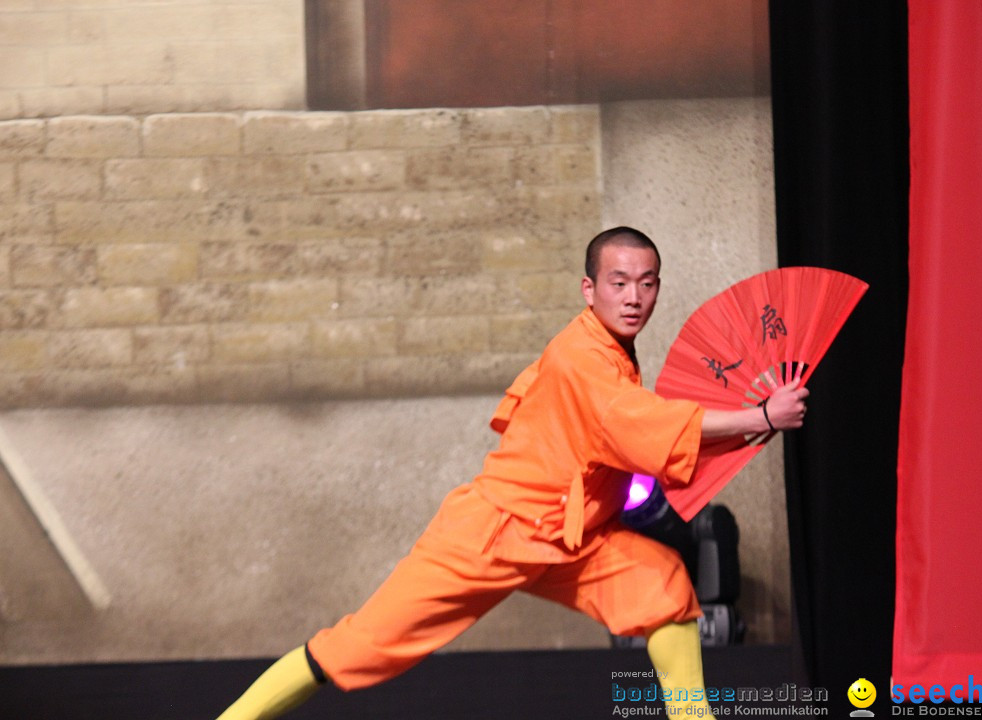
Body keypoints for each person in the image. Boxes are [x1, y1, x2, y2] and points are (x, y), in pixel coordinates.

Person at [215, 227, 808, 719]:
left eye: (646, 284)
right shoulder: (583, 357)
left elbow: (637, 438)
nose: (633, 297)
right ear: (589, 288)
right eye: (618, 283)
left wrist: (753, 423)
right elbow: (644, 426)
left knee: (659, 584)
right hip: (494, 532)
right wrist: (760, 414)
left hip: (567, 538)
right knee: (357, 646)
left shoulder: (613, 348)